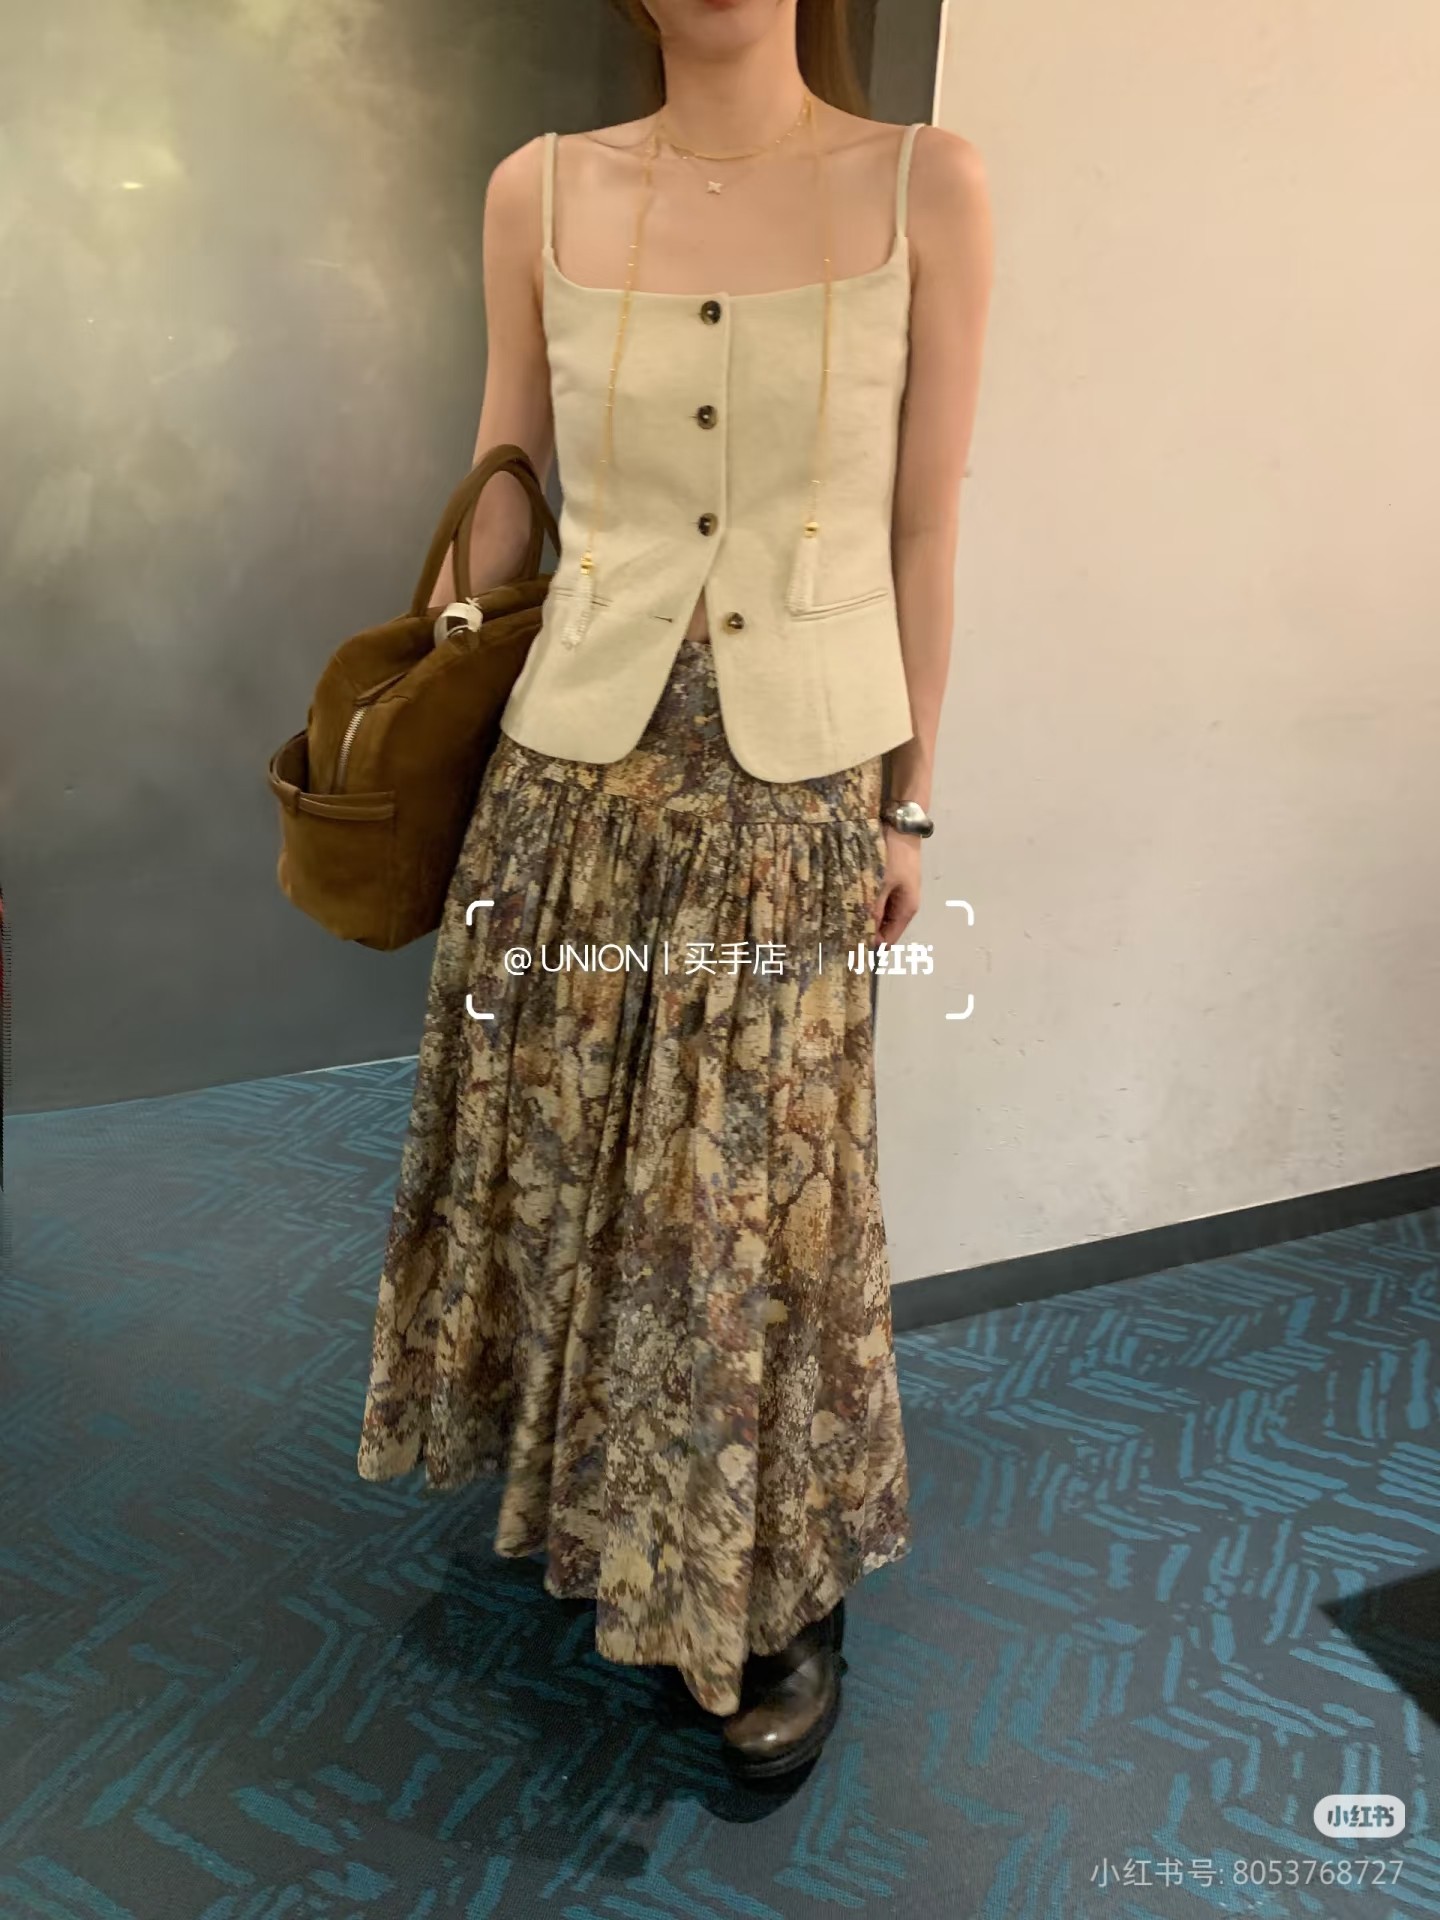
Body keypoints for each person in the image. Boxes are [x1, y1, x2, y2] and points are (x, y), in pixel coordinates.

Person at [356, 0, 993, 1781]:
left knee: (748, 1213)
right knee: (585, 1177)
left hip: (792, 798)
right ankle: (602, 1505)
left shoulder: (927, 186)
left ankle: (768, 1580)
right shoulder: (539, 190)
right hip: (570, 781)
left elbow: (924, 522)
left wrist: (913, 801)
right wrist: (423, 719)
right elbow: (507, 485)